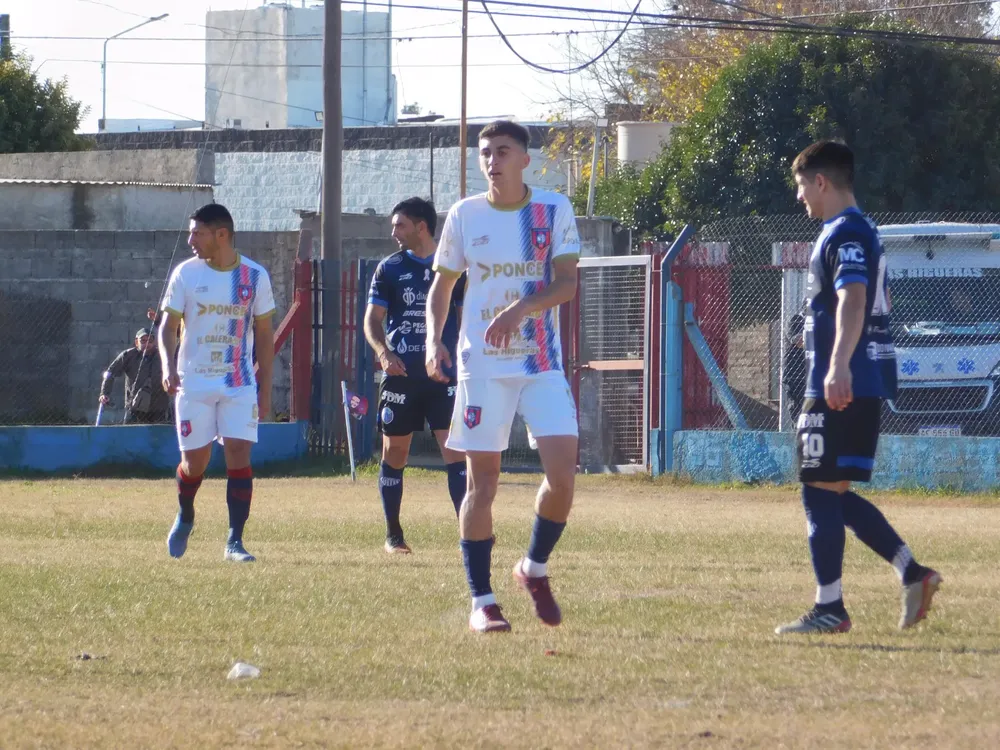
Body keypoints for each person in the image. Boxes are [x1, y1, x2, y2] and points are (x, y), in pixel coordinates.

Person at [776, 140, 942, 635]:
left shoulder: (845, 232)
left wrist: (837, 365)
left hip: (842, 381)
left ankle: (830, 608)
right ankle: (913, 573)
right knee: (833, 492)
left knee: (816, 491)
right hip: (854, 380)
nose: (800, 198)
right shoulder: (857, 229)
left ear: (822, 182)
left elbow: (853, 297)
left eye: (802, 186)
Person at [426, 120, 581, 634]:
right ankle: (483, 600)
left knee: (563, 477)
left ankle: (532, 568)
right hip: (483, 366)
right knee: (483, 482)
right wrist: (434, 340)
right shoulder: (464, 215)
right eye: (486, 152)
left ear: (525, 160)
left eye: (503, 151)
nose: (492, 160)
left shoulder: (554, 209)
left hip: (540, 363)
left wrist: (520, 310)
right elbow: (442, 288)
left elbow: (565, 285)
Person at [158, 203, 276, 563]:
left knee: (238, 453)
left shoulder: (255, 277)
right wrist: (167, 365)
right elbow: (167, 328)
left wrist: (265, 388)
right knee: (196, 463)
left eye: (198, 232)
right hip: (193, 383)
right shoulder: (186, 274)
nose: (191, 239)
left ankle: (234, 542)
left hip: (238, 383)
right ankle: (186, 514)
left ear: (220, 235)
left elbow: (265, 336)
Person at [363, 197, 468, 554]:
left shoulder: (455, 266)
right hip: (402, 375)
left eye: (400, 225)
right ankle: (394, 536)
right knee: (395, 453)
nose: (393, 232)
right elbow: (372, 320)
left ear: (421, 226)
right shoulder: (389, 269)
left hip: (444, 375)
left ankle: (468, 533)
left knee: (455, 452)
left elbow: (464, 317)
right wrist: (383, 353)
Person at [99, 328, 170, 424]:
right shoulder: (128, 356)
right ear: (136, 342)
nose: (147, 344)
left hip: (158, 407)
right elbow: (110, 373)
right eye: (143, 341)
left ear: (155, 342)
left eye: (150, 340)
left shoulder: (163, 356)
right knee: (132, 435)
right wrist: (105, 393)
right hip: (134, 407)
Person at [783, 303, 807, 423]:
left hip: (808, 376)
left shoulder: (818, 322)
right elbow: (799, 341)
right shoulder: (796, 320)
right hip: (794, 376)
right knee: (797, 414)